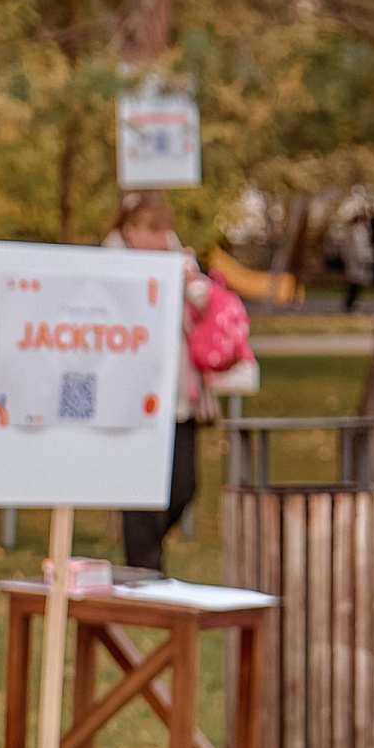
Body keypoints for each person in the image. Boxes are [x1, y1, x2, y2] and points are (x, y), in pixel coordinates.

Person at [105, 191, 213, 574]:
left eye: (165, 229)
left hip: (177, 395)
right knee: (138, 488)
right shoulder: (111, 265)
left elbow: (206, 303)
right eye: (152, 230)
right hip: (131, 395)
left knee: (183, 486)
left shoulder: (177, 261)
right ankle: (146, 569)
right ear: (129, 230)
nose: (160, 239)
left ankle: (146, 562)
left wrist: (187, 281)